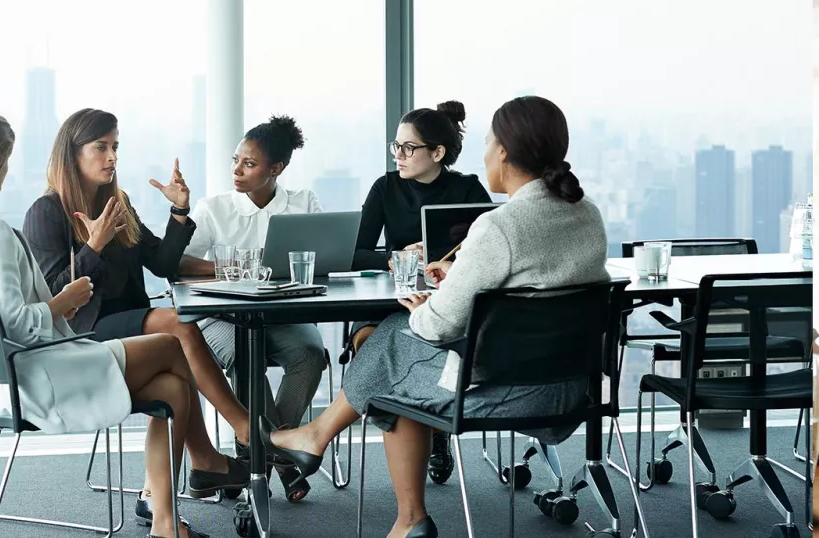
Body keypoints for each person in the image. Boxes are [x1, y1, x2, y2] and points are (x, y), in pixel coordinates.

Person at [261, 96, 610, 538]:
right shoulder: (588, 213)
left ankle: (391, 502)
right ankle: (346, 464)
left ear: (503, 151)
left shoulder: (500, 225)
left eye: (488, 143)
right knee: (391, 355)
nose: (484, 154)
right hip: (572, 390)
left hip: (502, 391)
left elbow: (436, 327)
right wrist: (461, 273)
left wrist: (425, 306)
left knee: (392, 343)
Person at [0, 111, 211, 537]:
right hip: (36, 374)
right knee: (169, 344)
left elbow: (4, 320)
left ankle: (165, 520)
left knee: (173, 388)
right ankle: (209, 462)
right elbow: (16, 323)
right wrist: (61, 303)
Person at [21, 108, 249, 519]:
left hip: (132, 326)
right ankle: (244, 429)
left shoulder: (118, 202)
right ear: (72, 154)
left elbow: (161, 262)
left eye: (115, 148)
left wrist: (180, 212)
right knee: (174, 323)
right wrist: (92, 246)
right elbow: (58, 297)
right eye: (101, 147)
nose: (111, 157)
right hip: (82, 334)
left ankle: (186, 476)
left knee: (171, 381)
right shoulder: (45, 212)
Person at [178, 115, 327, 502]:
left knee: (311, 355)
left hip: (282, 314)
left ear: (275, 169)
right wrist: (231, 267)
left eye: (249, 164)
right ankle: (283, 462)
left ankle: (268, 448)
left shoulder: (303, 203)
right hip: (222, 315)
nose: (237, 171)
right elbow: (179, 262)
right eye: (236, 160)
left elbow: (326, 259)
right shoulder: (215, 208)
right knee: (247, 357)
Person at [349, 100, 491, 483]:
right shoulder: (385, 187)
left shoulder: (468, 188)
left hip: (448, 300)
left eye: (408, 148)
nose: (399, 155)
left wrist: (442, 260)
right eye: (395, 146)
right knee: (368, 341)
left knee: (439, 342)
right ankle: (423, 429)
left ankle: (435, 424)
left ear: (437, 152)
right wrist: (395, 258)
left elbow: (487, 253)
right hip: (390, 299)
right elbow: (355, 252)